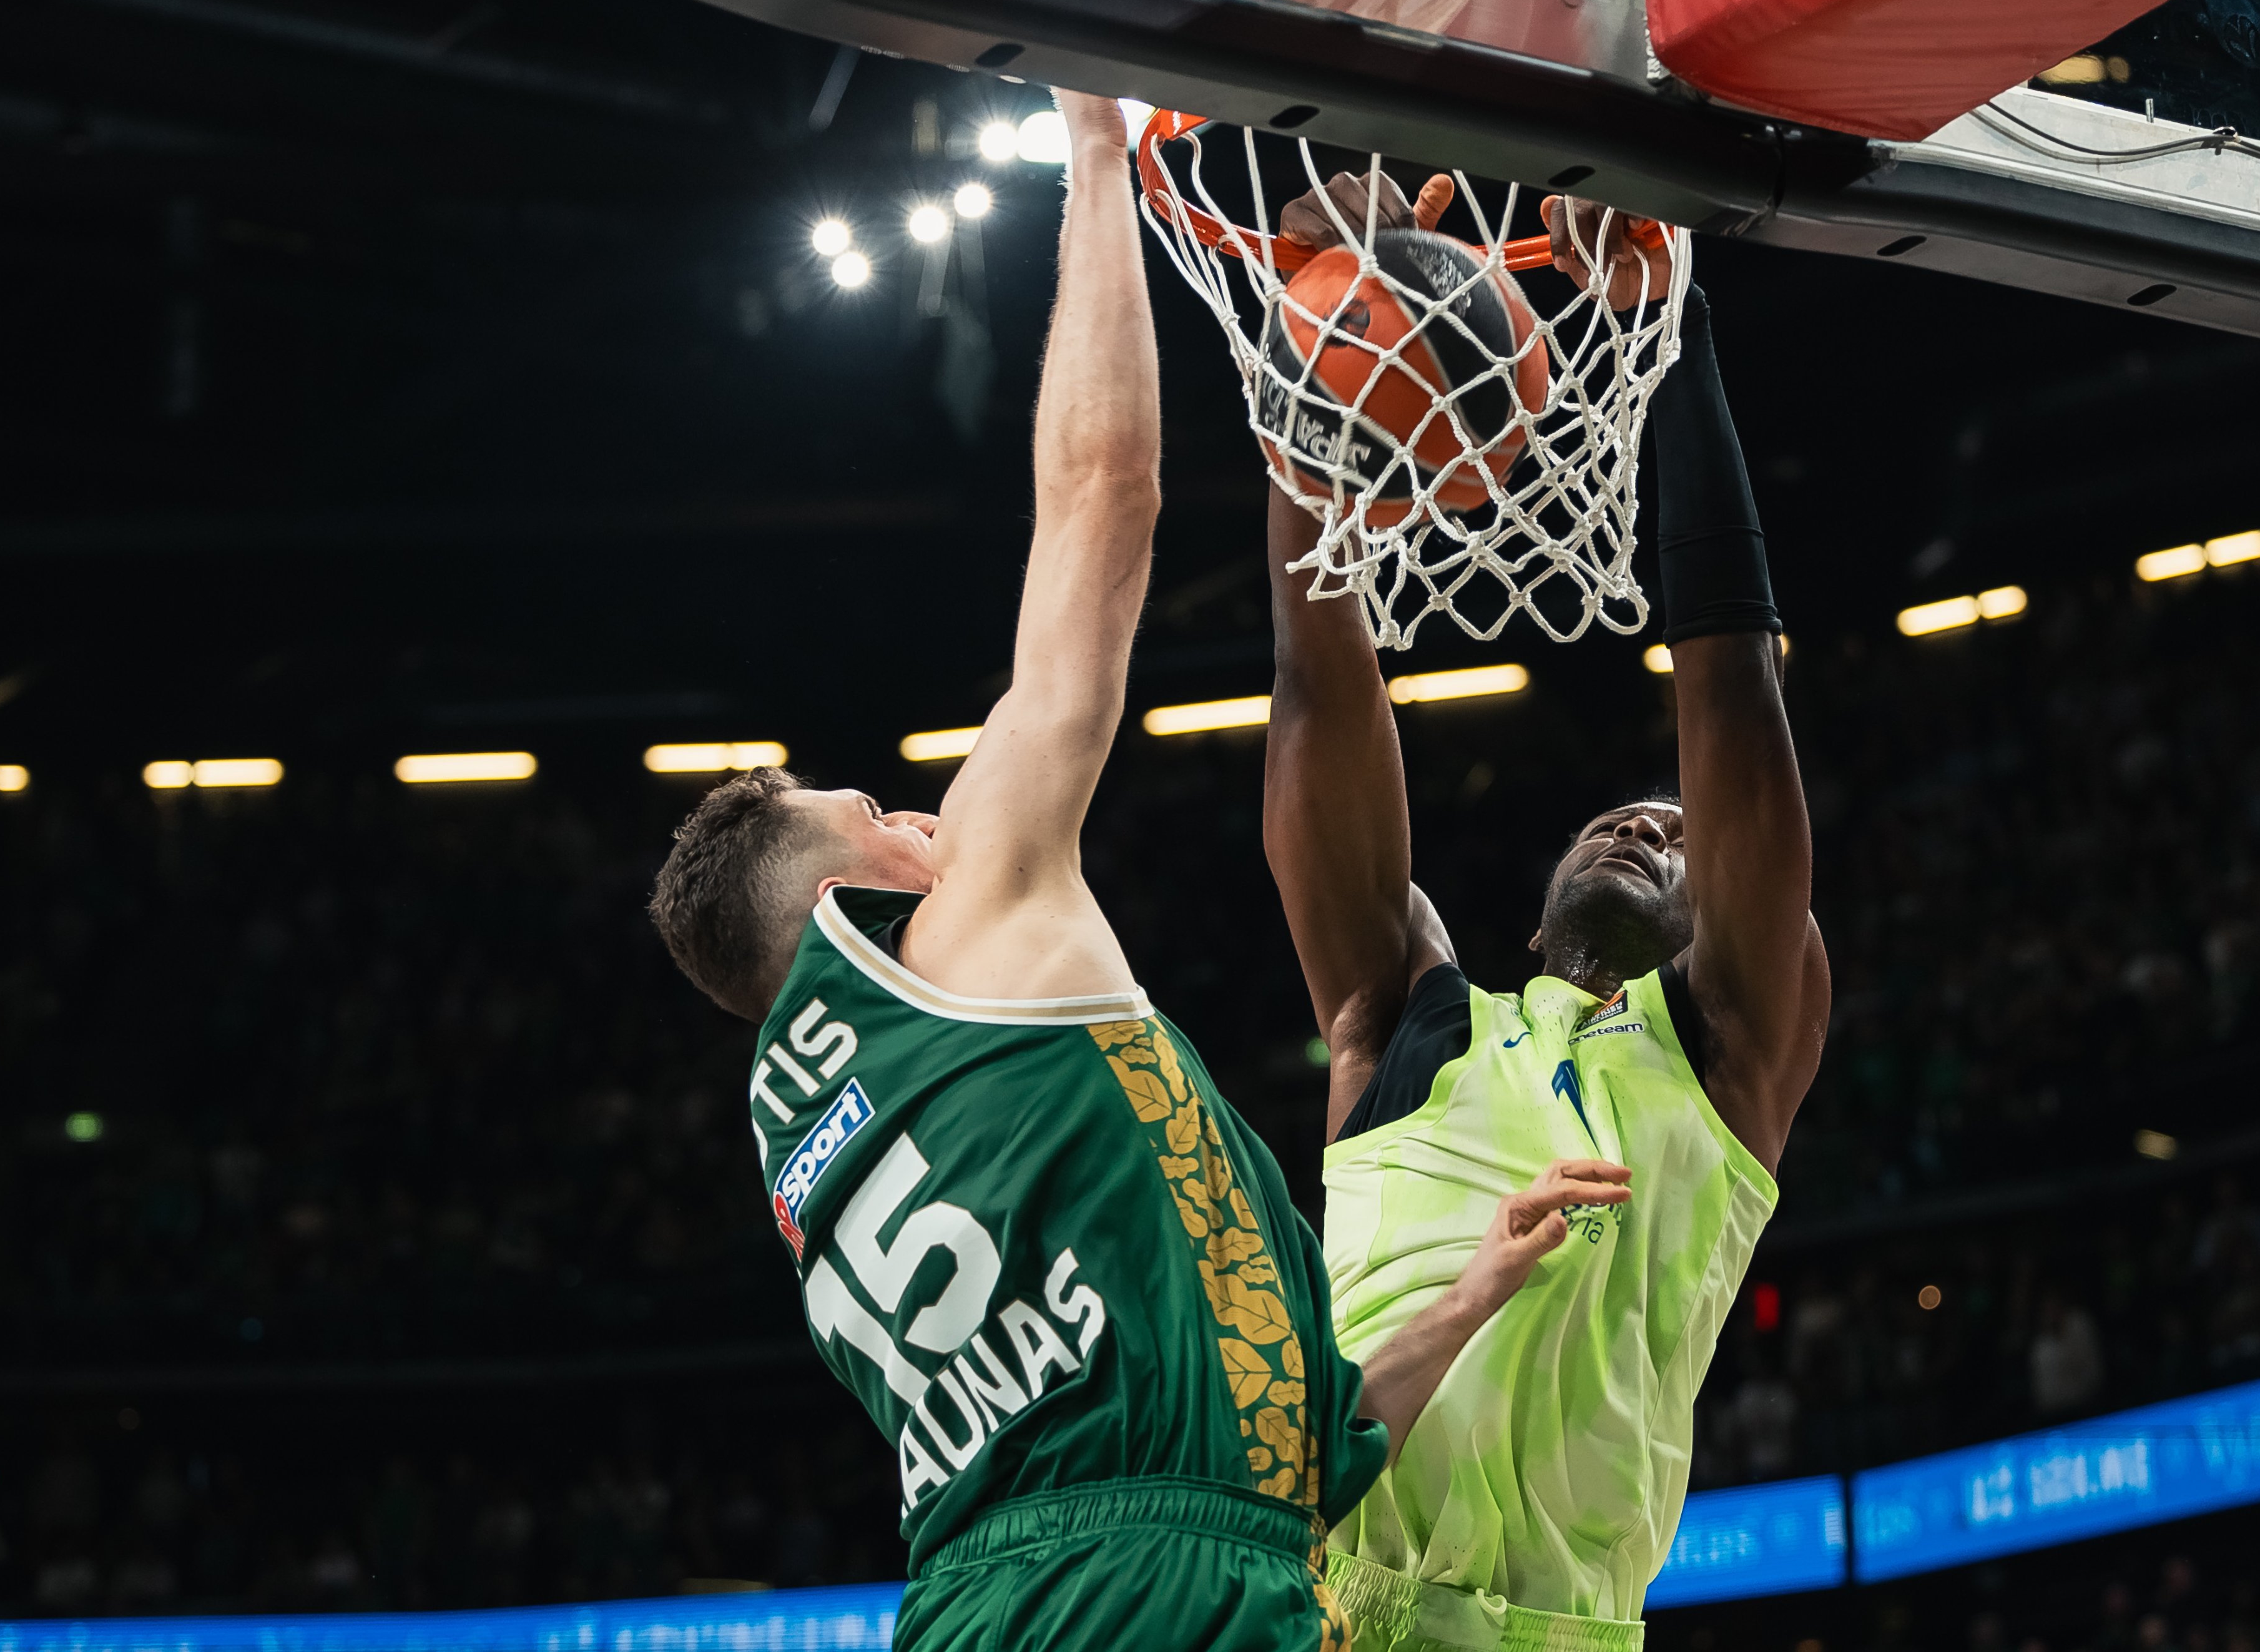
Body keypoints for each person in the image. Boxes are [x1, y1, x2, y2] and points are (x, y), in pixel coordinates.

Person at [644, 91, 1626, 1652]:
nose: (921, 814)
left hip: (1008, 1593)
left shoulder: (805, 1151)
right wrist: (1094, 146)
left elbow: (1284, 1459)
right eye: (879, 811)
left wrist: (1473, 1288)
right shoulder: (962, 919)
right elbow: (1100, 501)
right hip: (1136, 1588)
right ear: (862, 903)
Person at [1260, 177, 1829, 1649]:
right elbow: (1324, 679)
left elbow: (1727, 684)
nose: (1648, 821)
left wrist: (1669, 328)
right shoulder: (1408, 1016)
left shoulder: (1729, 1054)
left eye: (1676, 835)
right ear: (1523, 920)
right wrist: (1308, 405)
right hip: (1321, 1601)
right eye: (1615, 818)